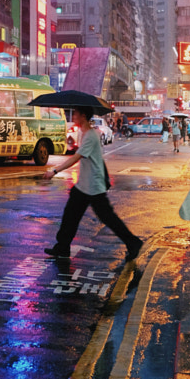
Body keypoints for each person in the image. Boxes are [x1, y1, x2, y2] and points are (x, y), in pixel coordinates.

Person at [42, 106, 143, 263]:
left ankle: (133, 242)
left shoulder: (90, 135)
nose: (73, 115)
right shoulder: (87, 133)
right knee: (70, 215)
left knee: (107, 217)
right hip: (85, 184)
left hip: (93, 186)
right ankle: (62, 246)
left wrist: (54, 171)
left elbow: (76, 157)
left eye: (75, 113)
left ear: (83, 115)